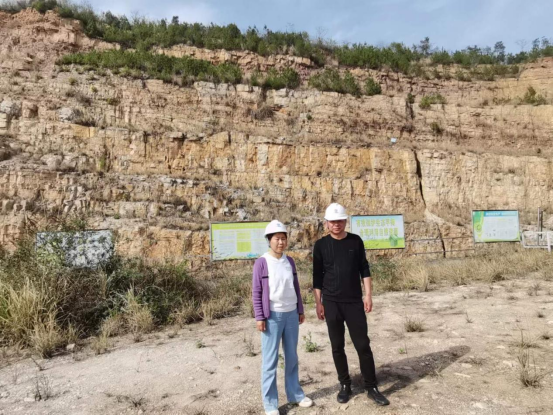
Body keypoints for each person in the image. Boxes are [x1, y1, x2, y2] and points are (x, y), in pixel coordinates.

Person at [313, 203, 389, 406]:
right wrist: (318, 303)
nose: (336, 224)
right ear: (326, 223)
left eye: (339, 221)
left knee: (362, 344)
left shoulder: (356, 241)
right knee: (337, 346)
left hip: (354, 301)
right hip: (331, 303)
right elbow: (317, 277)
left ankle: (371, 386)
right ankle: (345, 385)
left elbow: (364, 268)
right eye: (332, 221)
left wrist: (368, 295)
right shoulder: (321, 245)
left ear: (345, 221)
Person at [252, 220, 314, 415]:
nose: (281, 242)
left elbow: (295, 287)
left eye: (283, 239)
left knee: (292, 357)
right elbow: (256, 291)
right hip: (272, 316)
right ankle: (270, 404)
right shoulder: (262, 263)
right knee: (270, 362)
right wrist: (260, 317)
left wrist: (300, 310)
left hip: (291, 314)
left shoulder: (290, 261)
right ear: (269, 240)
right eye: (277, 239)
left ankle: (295, 394)